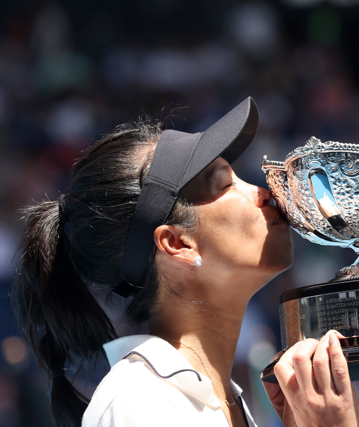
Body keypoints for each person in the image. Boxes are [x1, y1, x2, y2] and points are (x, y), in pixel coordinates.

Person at [12, 98, 314, 427]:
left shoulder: (206, 397)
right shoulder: (143, 401)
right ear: (177, 244)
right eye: (227, 184)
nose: (264, 191)